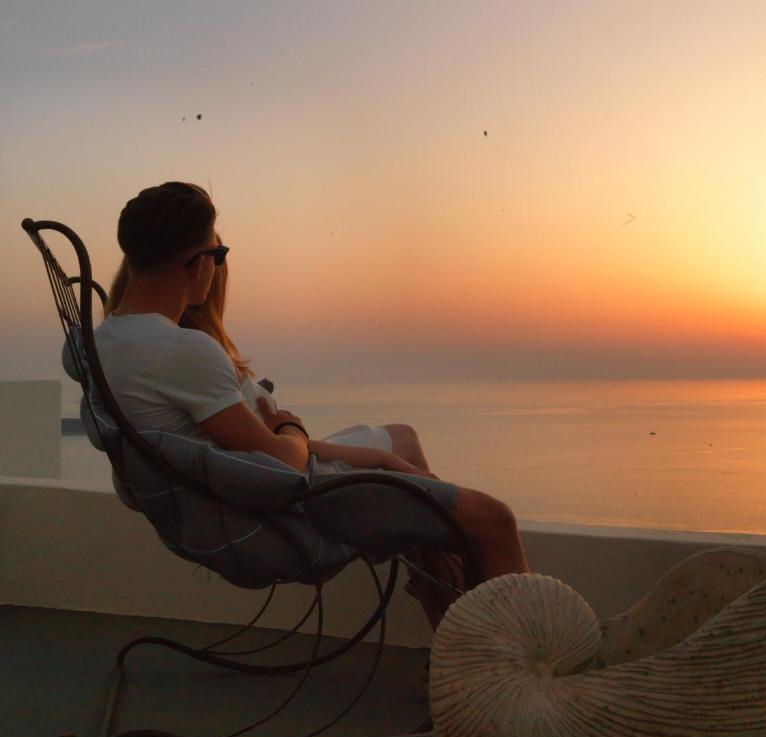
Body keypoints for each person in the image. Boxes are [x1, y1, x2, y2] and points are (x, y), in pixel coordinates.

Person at [96, 181, 529, 625]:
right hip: (287, 512)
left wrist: (373, 454)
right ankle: (518, 658)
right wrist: (291, 430)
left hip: (236, 495)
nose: (219, 268)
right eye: (218, 255)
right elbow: (284, 465)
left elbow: (245, 452)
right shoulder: (181, 351)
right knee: (493, 520)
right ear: (198, 263)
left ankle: (457, 648)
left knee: (402, 441)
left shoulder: (107, 342)